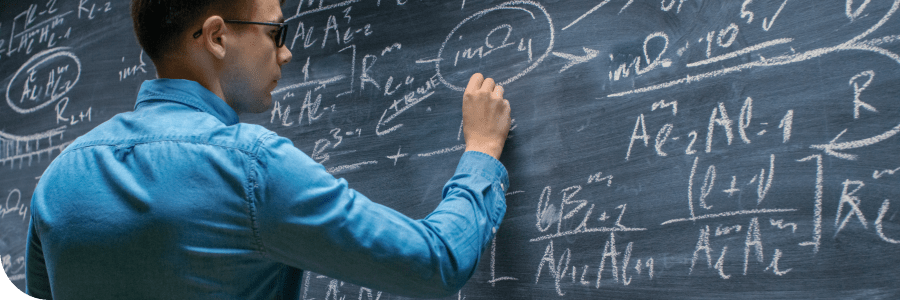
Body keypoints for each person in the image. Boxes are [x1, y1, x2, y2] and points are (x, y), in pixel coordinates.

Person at [24, 0, 512, 299]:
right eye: (276, 32)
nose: (286, 52)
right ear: (217, 37)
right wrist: (482, 153)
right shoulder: (251, 168)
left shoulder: (59, 179)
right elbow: (436, 262)